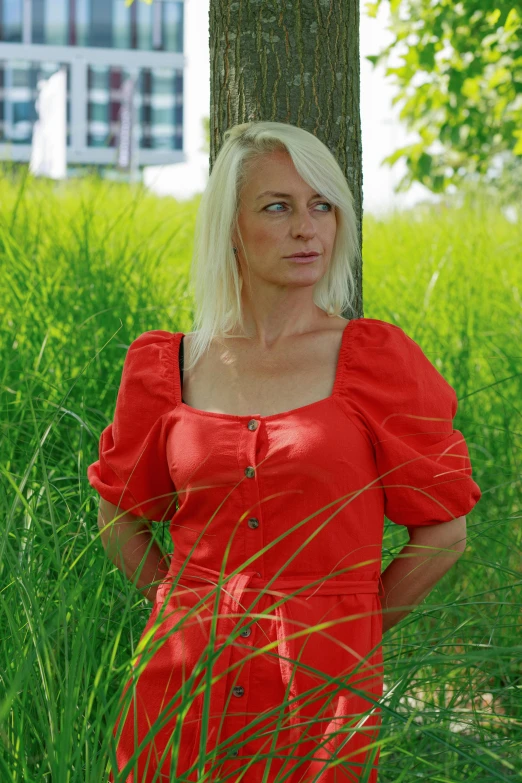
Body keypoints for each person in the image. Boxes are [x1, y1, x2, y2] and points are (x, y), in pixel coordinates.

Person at [87, 121, 482, 783]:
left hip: (322, 695)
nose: (308, 228)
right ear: (231, 228)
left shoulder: (376, 361)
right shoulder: (169, 364)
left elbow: (444, 532)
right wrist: (177, 603)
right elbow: (118, 513)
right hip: (180, 690)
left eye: (322, 205)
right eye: (278, 206)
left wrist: (349, 627)